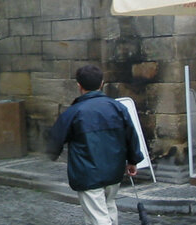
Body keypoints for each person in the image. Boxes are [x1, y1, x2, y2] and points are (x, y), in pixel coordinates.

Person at [46, 65, 144, 225]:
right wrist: (133, 160)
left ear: (79, 85)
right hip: (113, 170)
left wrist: (50, 155)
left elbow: (54, 142)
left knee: (99, 218)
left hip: (88, 173)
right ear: (102, 83)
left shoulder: (73, 112)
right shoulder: (118, 108)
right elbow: (131, 136)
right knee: (108, 208)